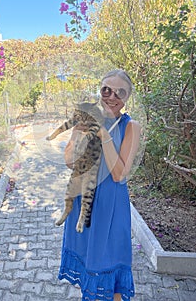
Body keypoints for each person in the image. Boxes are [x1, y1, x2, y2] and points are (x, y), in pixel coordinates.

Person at [58, 69, 141, 301]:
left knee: (110, 269)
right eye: (106, 89)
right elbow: (69, 162)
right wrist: (78, 136)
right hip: (83, 202)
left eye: (119, 92)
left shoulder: (130, 127)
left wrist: (103, 134)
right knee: (87, 263)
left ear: (126, 98)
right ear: (100, 90)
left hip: (110, 207)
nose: (111, 97)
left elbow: (119, 174)